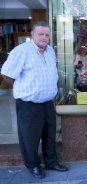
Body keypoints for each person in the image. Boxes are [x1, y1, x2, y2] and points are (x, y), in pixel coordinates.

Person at [0, 22, 68, 179]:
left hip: (48, 102)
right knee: (30, 137)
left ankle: (51, 162)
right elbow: (7, 74)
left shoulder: (50, 51)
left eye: (46, 35)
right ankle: (33, 165)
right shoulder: (21, 51)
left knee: (50, 134)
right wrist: (23, 86)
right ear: (33, 35)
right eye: (40, 34)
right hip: (29, 104)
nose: (44, 37)